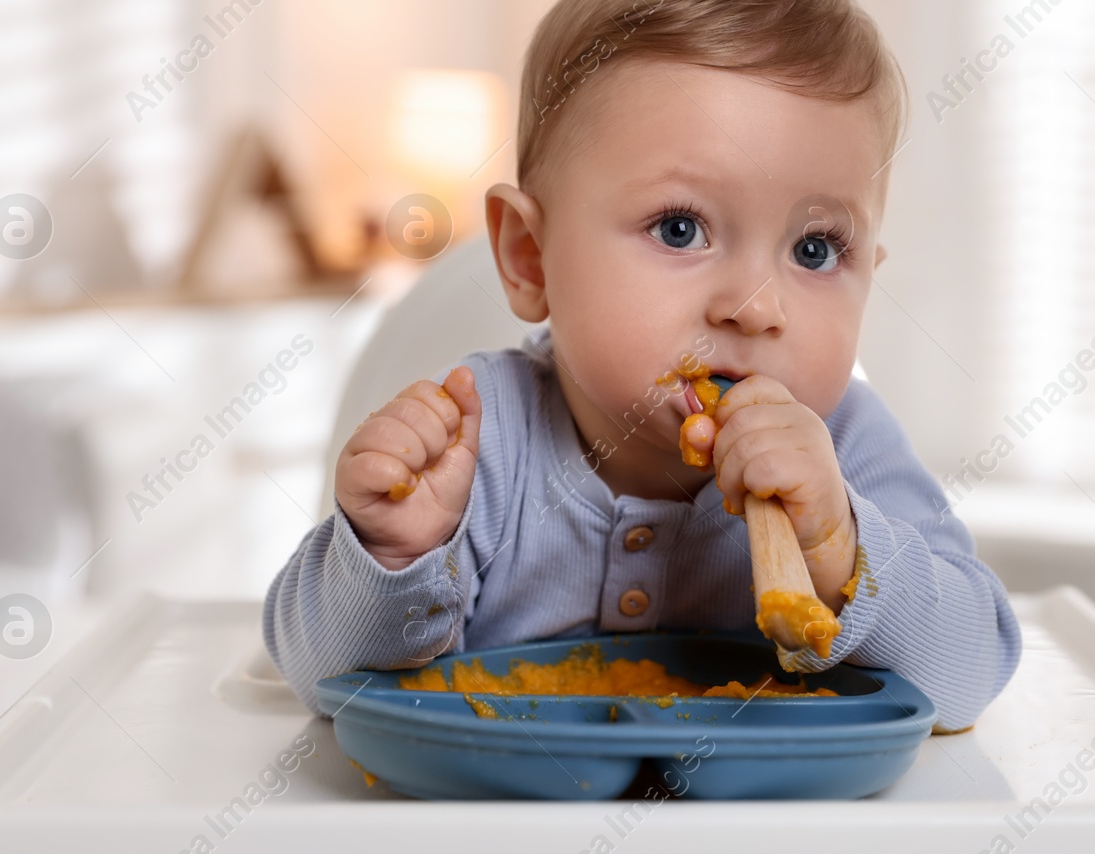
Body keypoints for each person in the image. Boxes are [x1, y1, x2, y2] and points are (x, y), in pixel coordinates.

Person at [264, 0, 1021, 734]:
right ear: (532, 258)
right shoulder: (477, 443)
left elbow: (971, 671)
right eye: (681, 228)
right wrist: (395, 557)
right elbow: (326, 683)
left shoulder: (848, 450)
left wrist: (842, 554)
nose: (755, 307)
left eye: (814, 249)